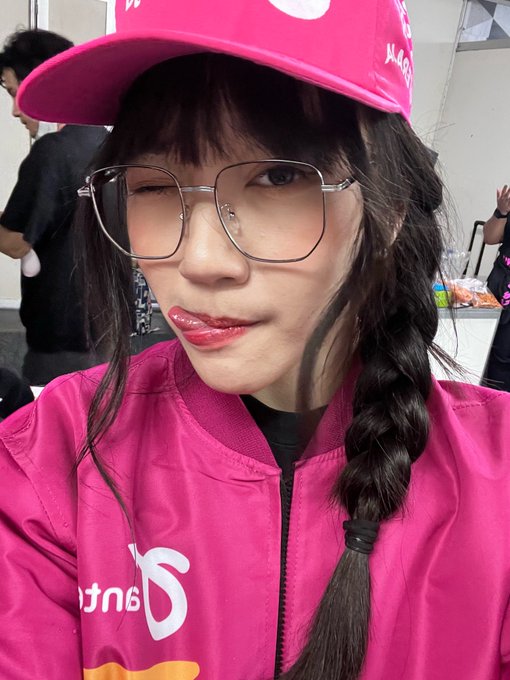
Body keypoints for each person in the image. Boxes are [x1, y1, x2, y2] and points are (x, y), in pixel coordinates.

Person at [0, 1, 509, 678]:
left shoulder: (498, 484)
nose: (201, 261)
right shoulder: (49, 460)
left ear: (387, 207)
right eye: (152, 185)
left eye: (278, 176)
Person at [0, 29, 108, 385]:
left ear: (43, 84)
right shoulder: (107, 143)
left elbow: (15, 242)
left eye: (15, 94)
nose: (15, 111)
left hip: (58, 345)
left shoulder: (52, 153)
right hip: (108, 335)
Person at [484, 184, 510, 391]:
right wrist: (501, 212)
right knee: (493, 350)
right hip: (500, 285)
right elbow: (490, 237)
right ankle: (492, 397)